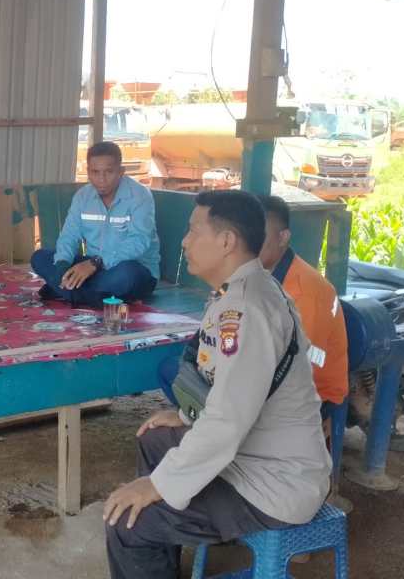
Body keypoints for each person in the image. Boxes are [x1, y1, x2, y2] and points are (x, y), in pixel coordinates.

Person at [103, 190, 331, 579]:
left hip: (273, 485)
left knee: (127, 523)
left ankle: (154, 534)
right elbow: (231, 388)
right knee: (154, 439)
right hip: (252, 456)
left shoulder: (248, 309)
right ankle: (163, 559)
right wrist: (185, 416)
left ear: (226, 242)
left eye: (194, 231)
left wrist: (156, 486)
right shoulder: (241, 290)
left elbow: (227, 420)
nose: (184, 241)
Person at [30, 141, 160, 307]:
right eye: (95, 172)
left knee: (127, 276)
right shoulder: (83, 197)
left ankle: (66, 291)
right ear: (88, 172)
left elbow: (139, 241)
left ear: (121, 172)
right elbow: (69, 235)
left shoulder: (139, 196)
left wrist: (96, 263)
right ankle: (87, 293)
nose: (102, 179)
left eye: (109, 172)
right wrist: (62, 267)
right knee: (40, 257)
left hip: (132, 269)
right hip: (92, 269)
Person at [258, 194, 349, 414]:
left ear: (283, 238)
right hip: (271, 377)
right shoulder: (258, 273)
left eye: (259, 236)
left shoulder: (306, 292)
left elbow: (299, 367)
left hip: (312, 394)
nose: (249, 244)